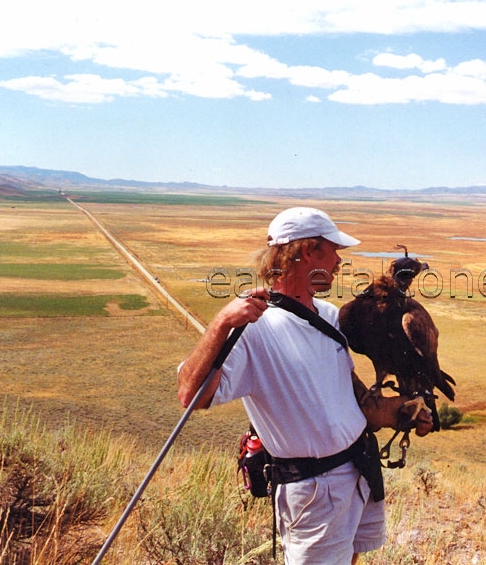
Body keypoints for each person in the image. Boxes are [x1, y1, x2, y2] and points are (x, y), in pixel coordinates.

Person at [177, 206, 433, 564]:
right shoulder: (254, 328)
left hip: (360, 471)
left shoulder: (330, 316)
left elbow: (353, 396)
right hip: (314, 491)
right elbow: (191, 395)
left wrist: (403, 413)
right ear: (309, 251)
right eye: (333, 251)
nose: (339, 262)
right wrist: (221, 324)